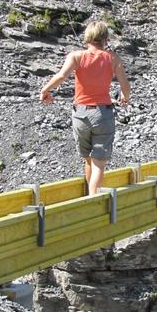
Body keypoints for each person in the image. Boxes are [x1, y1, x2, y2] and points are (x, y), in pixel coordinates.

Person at [39, 21, 131, 195]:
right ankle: (93, 199)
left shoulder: (76, 56)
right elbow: (125, 85)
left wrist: (45, 90)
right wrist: (125, 98)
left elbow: (62, 75)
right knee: (98, 164)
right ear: (105, 38)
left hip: (80, 115)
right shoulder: (113, 58)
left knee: (88, 159)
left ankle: (90, 195)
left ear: (87, 36)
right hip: (103, 114)